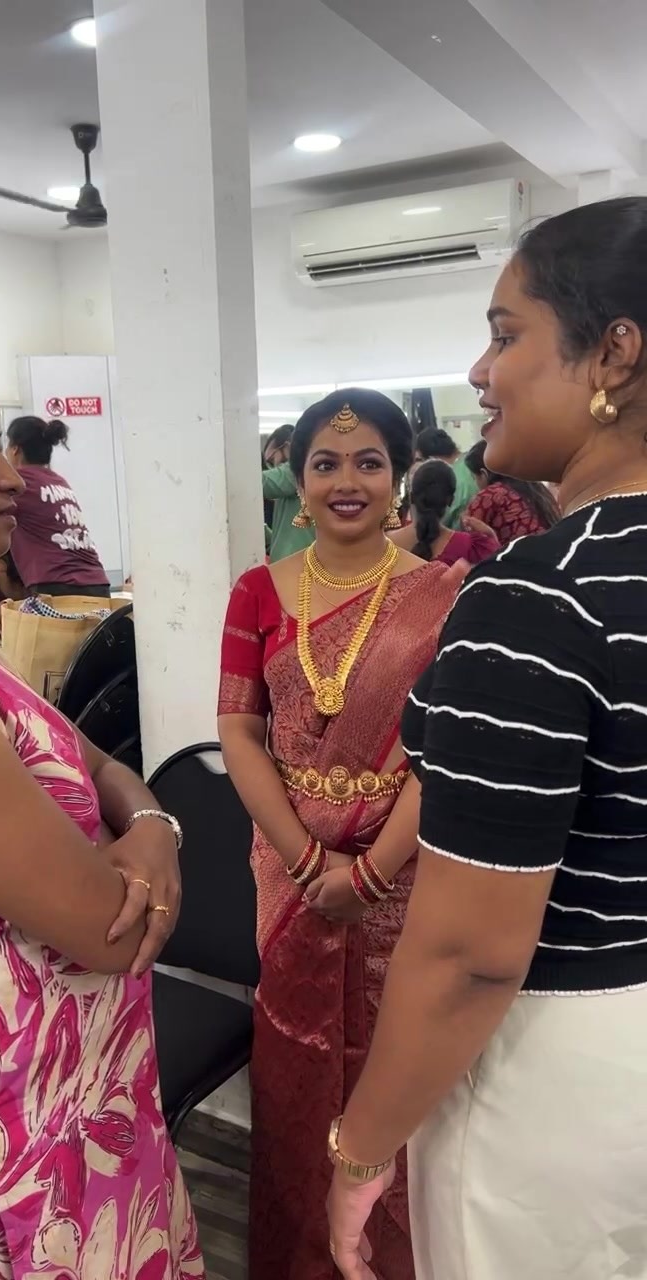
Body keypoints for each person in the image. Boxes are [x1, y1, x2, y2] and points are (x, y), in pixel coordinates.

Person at [327, 196, 647, 1280]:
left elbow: (470, 952)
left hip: (569, 1069)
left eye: (507, 334)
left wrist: (358, 1146)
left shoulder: (539, 597)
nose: (478, 369)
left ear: (614, 352)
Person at [0, 339, 203, 1278]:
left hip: (76, 1095)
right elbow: (112, 934)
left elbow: (93, 762)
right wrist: (145, 856)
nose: (10, 476)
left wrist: (156, 828)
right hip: (9, 1128)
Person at [218, 389, 460, 1280]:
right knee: (293, 1065)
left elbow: (449, 748)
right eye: (326, 462)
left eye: (368, 463)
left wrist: (369, 871)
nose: (346, 481)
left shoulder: (447, 597)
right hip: (291, 878)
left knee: (397, 1069)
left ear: (399, 477)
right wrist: (308, 857)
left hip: (404, 881)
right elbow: (238, 730)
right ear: (299, 474)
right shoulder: (258, 590)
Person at [6, 415, 111, 597]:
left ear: (15, 450)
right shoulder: (59, 481)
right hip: (97, 584)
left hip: (58, 587)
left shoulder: (21, 483)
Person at [394, 459, 498, 566]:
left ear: (411, 497)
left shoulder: (385, 543)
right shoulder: (472, 547)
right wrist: (490, 534)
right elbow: (497, 568)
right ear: (451, 500)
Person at [463, 437, 560, 545]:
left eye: (474, 477)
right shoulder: (537, 489)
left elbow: (468, 539)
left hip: (519, 558)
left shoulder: (490, 495)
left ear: (484, 474)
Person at [261, 423, 316, 561]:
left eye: (272, 459)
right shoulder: (291, 488)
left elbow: (259, 483)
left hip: (295, 566)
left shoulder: (295, 471)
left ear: (286, 448)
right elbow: (286, 533)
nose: (272, 467)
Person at [413, 426, 478, 528]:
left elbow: (440, 521)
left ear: (431, 459)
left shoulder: (455, 479)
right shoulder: (469, 459)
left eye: (420, 460)